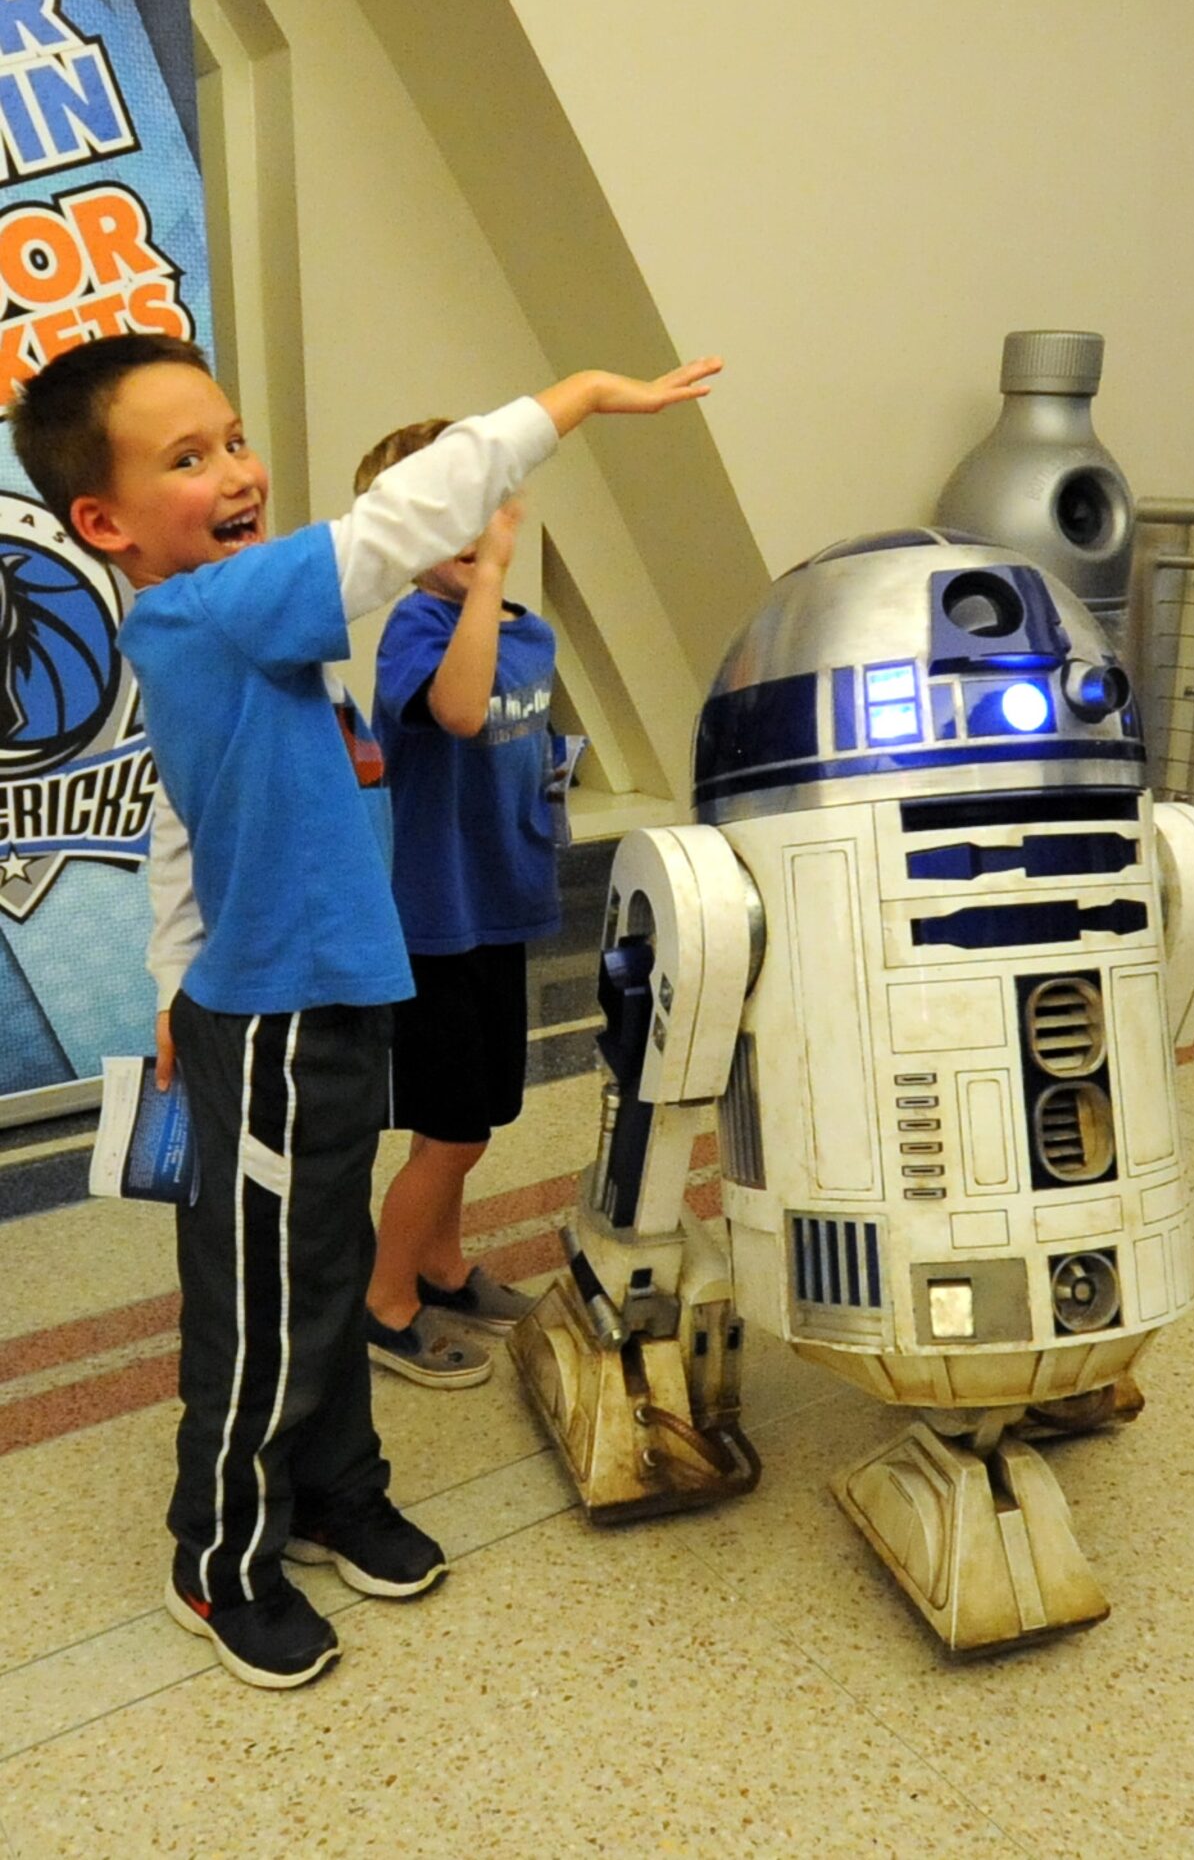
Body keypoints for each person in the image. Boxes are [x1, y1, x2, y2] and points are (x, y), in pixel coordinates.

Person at [9, 334, 721, 1690]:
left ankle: (334, 1488)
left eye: (229, 439)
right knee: (261, 1301)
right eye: (185, 457)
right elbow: (400, 519)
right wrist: (564, 400)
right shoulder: (216, 611)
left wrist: (169, 973)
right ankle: (218, 1559)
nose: (235, 470)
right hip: (273, 1023)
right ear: (104, 523)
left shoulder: (239, 629)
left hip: (320, 1004)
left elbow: (181, 819)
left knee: (322, 1274)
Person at [352, 421, 555, 1387]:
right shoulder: (419, 628)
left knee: (481, 1115)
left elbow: (521, 753)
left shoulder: (530, 631)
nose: (465, 529)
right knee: (451, 1130)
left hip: (501, 908)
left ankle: (439, 1264)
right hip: (435, 921)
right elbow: (462, 713)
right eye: (435, 516)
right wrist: (478, 588)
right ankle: (383, 1303)